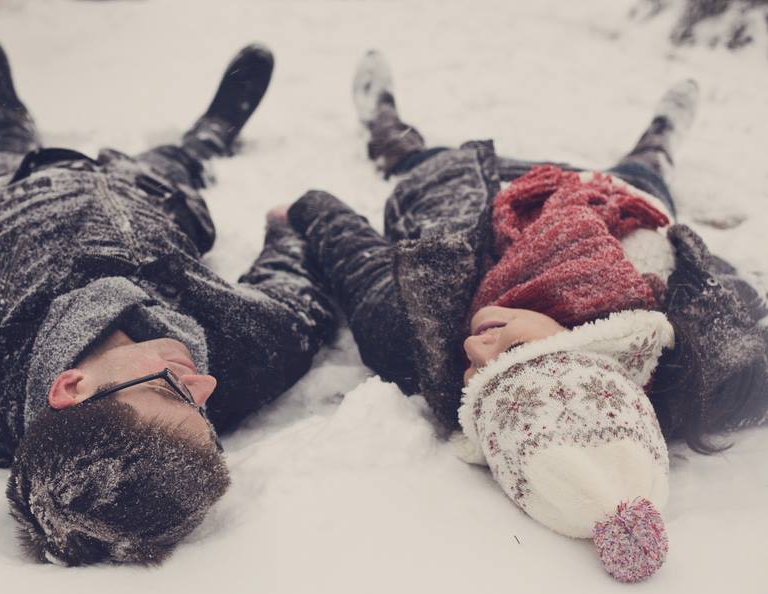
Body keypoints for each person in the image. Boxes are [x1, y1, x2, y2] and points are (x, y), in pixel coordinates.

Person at [0, 28, 336, 566]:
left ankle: (5, 116)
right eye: (204, 409)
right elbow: (293, 304)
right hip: (143, 198)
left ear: (70, 386)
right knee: (175, 163)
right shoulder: (243, 355)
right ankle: (208, 136)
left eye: (174, 390)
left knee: (4, 146)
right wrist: (286, 235)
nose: (207, 381)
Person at [284, 50, 768, 453]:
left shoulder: (417, 335)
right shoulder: (693, 362)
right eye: (513, 352)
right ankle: (661, 136)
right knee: (648, 171)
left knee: (408, 155)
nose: (473, 348)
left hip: (470, 180)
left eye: (475, 379)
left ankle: (383, 120)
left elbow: (355, 259)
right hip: (616, 195)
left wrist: (304, 210)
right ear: (587, 353)